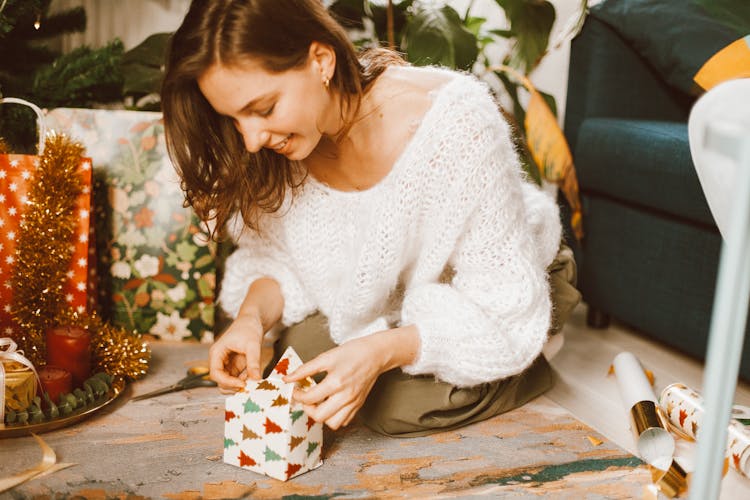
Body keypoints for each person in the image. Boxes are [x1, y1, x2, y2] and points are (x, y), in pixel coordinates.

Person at [162, 0, 580, 437]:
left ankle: (533, 348)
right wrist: (250, 320)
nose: (250, 141)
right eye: (233, 119)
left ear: (320, 61)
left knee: (389, 409)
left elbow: (500, 299)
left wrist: (381, 351)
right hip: (401, 292)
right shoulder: (277, 152)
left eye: (264, 109)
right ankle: (414, 343)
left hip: (502, 282)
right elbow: (280, 264)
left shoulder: (455, 122)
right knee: (305, 367)